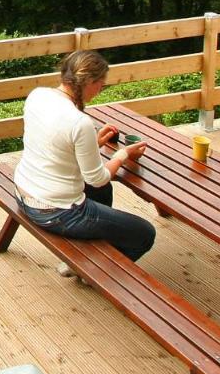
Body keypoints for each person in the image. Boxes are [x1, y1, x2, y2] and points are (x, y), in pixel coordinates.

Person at [14, 49, 156, 263]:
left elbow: (53, 144)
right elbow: (96, 178)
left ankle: (94, 245)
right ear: (87, 81)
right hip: (55, 212)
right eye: (101, 84)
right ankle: (91, 268)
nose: (100, 90)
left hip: (23, 193)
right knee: (144, 234)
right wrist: (122, 154)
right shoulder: (79, 122)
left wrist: (94, 142)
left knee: (103, 192)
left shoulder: (38, 96)